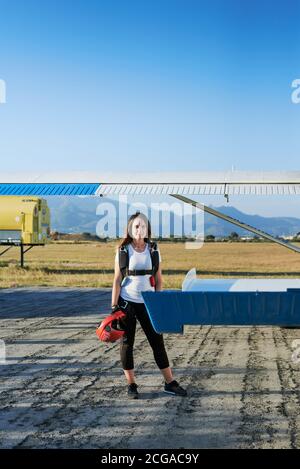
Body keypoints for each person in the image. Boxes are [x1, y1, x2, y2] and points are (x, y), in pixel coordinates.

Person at [111, 211, 187, 399]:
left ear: (148, 229)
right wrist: (114, 307)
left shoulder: (153, 249)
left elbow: (158, 279)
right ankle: (131, 385)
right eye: (136, 226)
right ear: (130, 228)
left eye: (143, 226)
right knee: (127, 344)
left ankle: (170, 383)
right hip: (127, 302)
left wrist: (158, 301)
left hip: (149, 302)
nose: (140, 229)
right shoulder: (123, 250)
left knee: (157, 342)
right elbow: (117, 280)